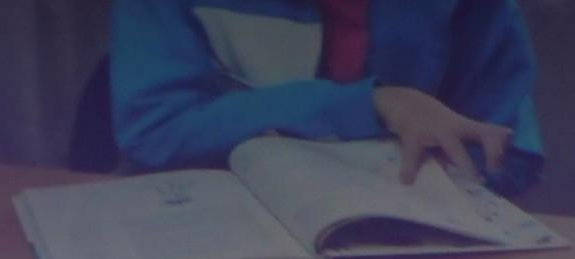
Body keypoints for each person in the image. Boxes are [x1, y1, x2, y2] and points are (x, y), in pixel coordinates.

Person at [111, 0, 544, 195]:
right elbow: (153, 126)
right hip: (220, 236)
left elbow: (507, 150)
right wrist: (373, 104)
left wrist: (462, 175)